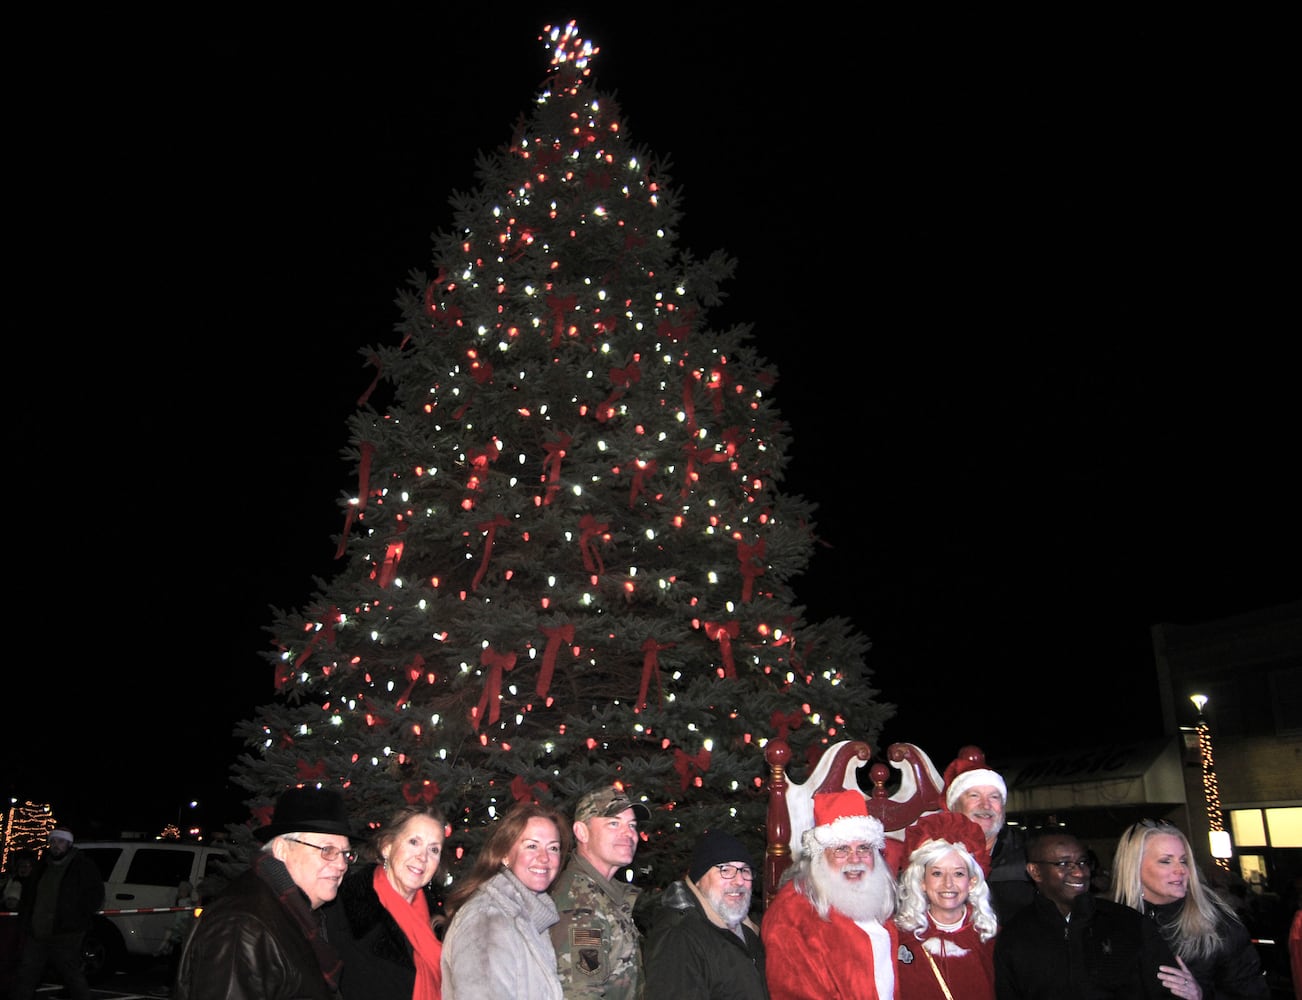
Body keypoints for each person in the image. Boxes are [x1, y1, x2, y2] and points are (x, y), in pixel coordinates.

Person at [174, 785, 359, 1000]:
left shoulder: (296, 913)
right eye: (327, 850)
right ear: (281, 850)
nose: (341, 865)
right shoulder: (243, 925)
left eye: (346, 854)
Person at [993, 827, 1178, 999]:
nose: (1080, 873)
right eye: (1064, 864)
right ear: (1035, 872)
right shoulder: (1015, 936)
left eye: (1082, 862)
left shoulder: (1128, 923)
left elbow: (1167, 992)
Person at [761, 788, 899, 999]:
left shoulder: (878, 901)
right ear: (820, 857)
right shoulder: (793, 913)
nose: (855, 860)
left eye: (863, 848)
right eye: (841, 849)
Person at [1110, 819, 1269, 999]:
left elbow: (1253, 992)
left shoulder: (1217, 923)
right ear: (1134, 867)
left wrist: (1202, 995)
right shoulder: (1111, 922)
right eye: (1165, 861)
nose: (1180, 870)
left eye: (1183, 860)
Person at [441, 800, 570, 1000]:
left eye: (553, 848)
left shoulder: (529, 915)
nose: (544, 858)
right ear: (505, 855)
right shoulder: (488, 920)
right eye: (532, 846)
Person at [324, 802, 448, 1000]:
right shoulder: (344, 909)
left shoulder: (443, 926)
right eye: (413, 842)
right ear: (387, 847)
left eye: (434, 850)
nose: (422, 857)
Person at [642, 827, 769, 999]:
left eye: (745, 870)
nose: (739, 880)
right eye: (725, 870)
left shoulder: (748, 931)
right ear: (699, 879)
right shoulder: (680, 938)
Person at [550, 784, 650, 999]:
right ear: (582, 832)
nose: (628, 833)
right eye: (613, 823)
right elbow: (580, 993)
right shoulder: (580, 905)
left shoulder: (604, 894)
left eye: (632, 825)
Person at [895, 811, 998, 1000]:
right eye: (937, 874)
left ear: (972, 882)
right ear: (921, 882)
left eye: (958, 874)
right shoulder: (900, 938)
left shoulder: (991, 938)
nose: (948, 884)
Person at [10, 827, 105, 1000]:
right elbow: (28, 895)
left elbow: (95, 896)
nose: (55, 845)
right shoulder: (42, 865)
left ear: (69, 843)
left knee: (71, 975)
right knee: (26, 975)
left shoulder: (82, 866)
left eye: (60, 841)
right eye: (52, 841)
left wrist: (76, 918)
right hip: (37, 932)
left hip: (66, 934)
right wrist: (26, 922)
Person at [943, 747, 1034, 921]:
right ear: (954, 807)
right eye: (974, 796)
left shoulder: (1029, 853)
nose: (985, 806)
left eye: (994, 797)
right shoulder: (932, 857)